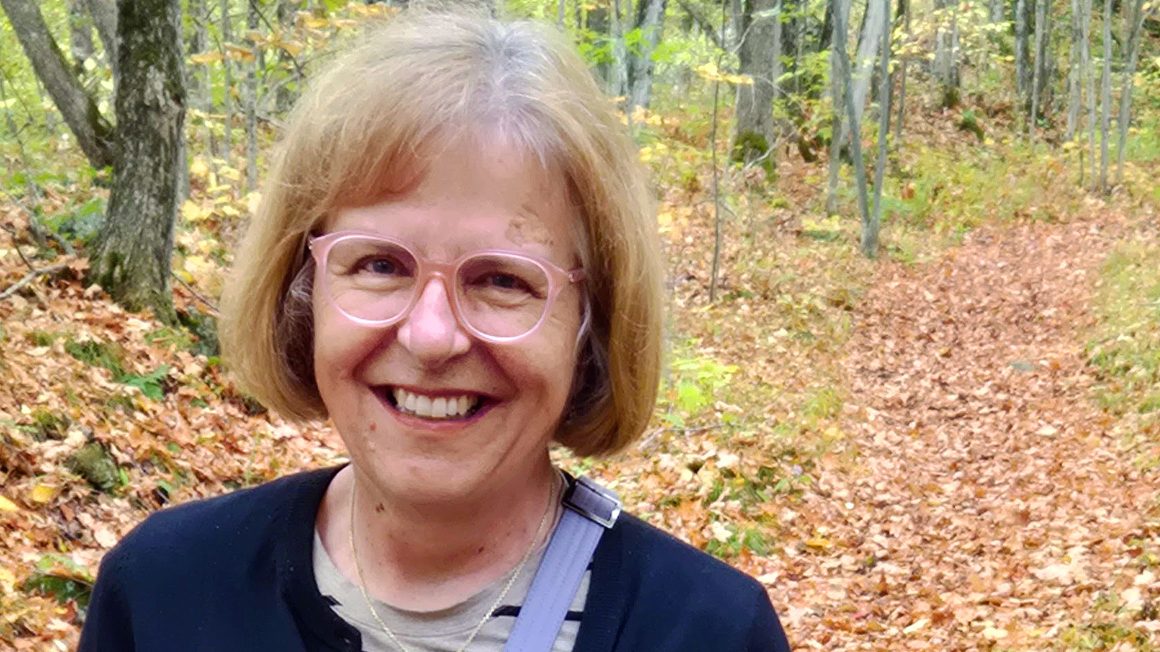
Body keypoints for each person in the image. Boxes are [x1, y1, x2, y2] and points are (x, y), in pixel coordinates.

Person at [79, 10, 791, 652]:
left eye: (502, 279)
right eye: (380, 265)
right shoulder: (164, 592)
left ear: (589, 322)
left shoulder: (710, 632)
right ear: (302, 291)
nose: (430, 336)